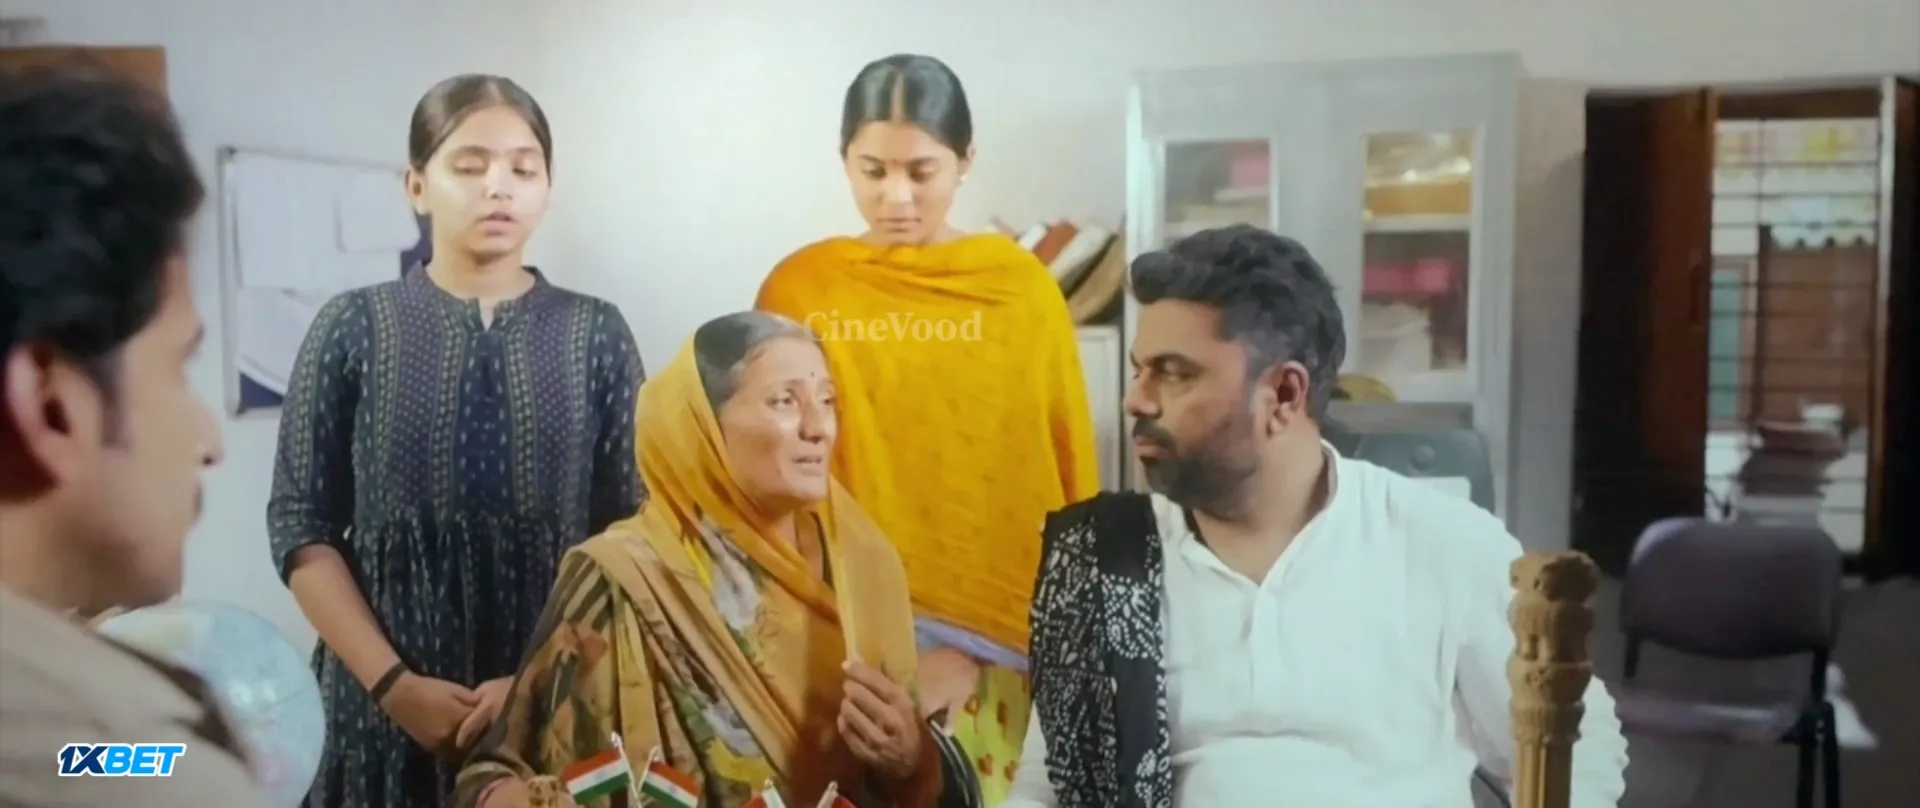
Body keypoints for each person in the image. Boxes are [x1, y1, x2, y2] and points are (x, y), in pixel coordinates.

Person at [1007, 225, 1629, 808]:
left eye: (1174, 373)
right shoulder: (1106, 557)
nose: (1136, 399)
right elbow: (1048, 787)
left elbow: (1578, 746)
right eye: (1139, 370)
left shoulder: (1441, 542)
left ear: (1284, 394)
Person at [270, 74, 645, 808]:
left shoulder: (596, 332)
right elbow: (298, 525)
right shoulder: (354, 326)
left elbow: (629, 537)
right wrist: (394, 686)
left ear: (547, 188)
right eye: (469, 166)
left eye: (523, 169)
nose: (498, 187)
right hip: (379, 714)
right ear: (416, 186)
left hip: (553, 708)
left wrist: (536, 681)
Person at [755, 54, 1099, 803]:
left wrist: (975, 656)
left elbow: (1058, 463)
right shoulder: (802, 288)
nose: (897, 196)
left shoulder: (1018, 291)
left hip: (994, 652)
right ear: (843, 158)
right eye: (872, 170)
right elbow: (765, 462)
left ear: (966, 161)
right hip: (835, 637)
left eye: (922, 171)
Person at [453, 312, 946, 808]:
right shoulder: (623, 574)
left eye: (826, 400)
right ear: (704, 424)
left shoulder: (866, 569)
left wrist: (911, 762)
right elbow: (493, 772)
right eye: (784, 401)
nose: (819, 429)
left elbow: (915, 788)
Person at [0, 66, 262, 806]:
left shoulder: (104, 750)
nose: (210, 443)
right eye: (179, 365)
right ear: (52, 407)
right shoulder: (123, 756)